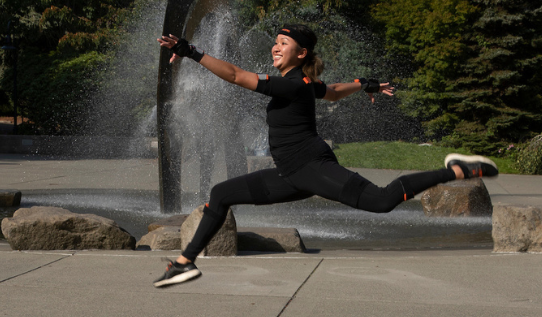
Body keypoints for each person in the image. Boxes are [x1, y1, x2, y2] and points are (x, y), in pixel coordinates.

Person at [154, 24, 498, 287]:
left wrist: (192, 51)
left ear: (301, 53)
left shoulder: (291, 84)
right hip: (290, 174)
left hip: (310, 167)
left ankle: (454, 171)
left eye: (283, 43)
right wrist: (363, 83)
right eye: (276, 41)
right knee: (221, 195)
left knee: (381, 201)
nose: (275, 46)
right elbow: (331, 92)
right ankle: (186, 262)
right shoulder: (303, 84)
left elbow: (235, 75)